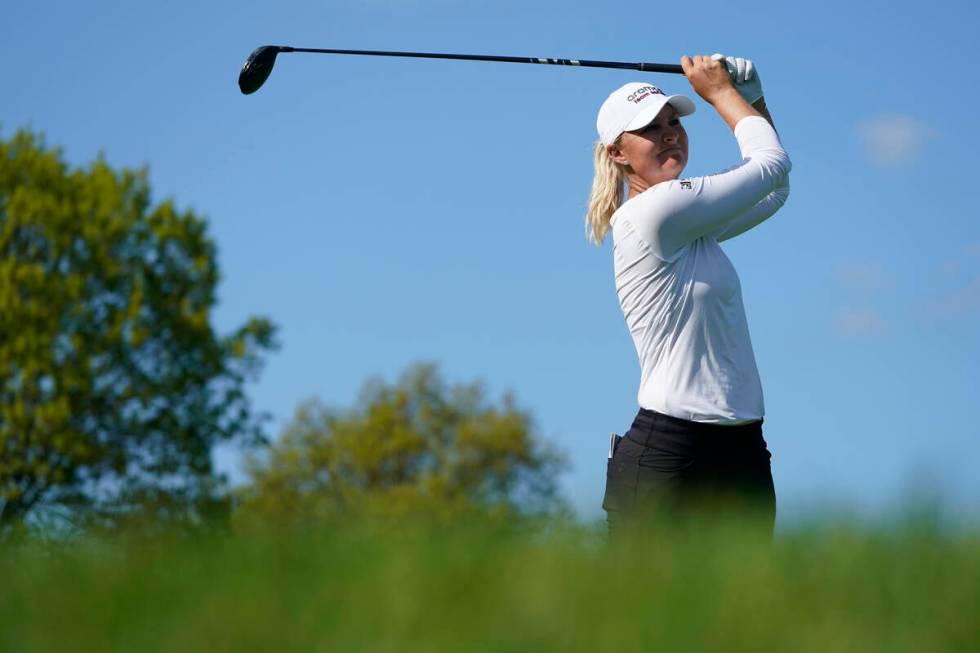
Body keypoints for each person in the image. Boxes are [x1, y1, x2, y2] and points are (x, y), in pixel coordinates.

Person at [586, 54, 792, 542]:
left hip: (741, 448)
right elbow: (770, 164)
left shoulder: (690, 226)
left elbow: (774, 190)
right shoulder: (653, 213)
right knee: (642, 616)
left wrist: (753, 99)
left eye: (674, 122)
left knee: (744, 616)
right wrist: (724, 94)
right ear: (618, 153)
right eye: (651, 130)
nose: (670, 135)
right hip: (670, 452)